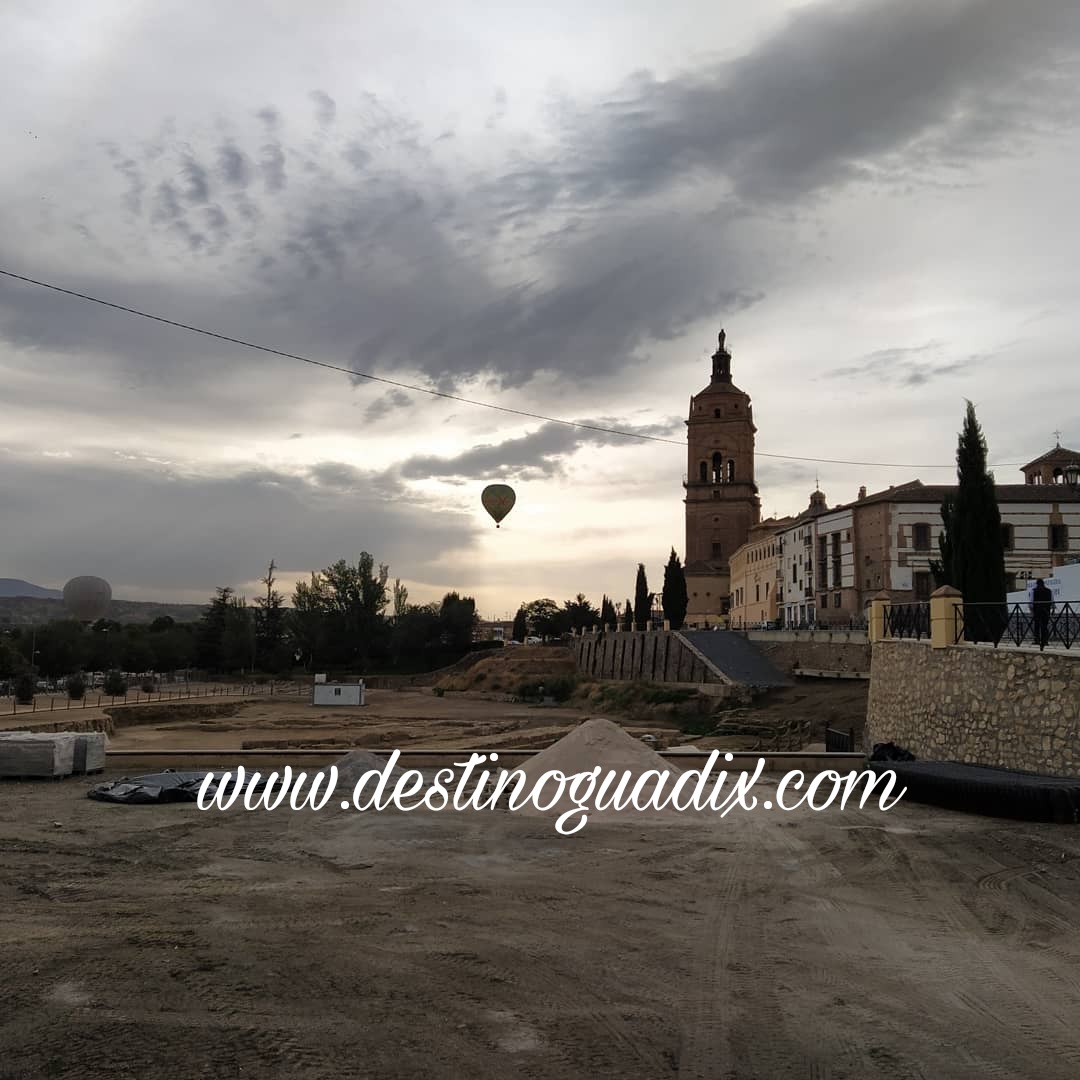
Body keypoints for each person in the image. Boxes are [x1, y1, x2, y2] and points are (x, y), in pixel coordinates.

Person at [1031, 578, 1054, 650]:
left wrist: (1031, 610)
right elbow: (1052, 601)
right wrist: (1052, 609)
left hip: (1037, 610)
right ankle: (1045, 641)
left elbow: (1031, 602)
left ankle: (1037, 640)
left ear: (1037, 584)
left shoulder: (1033, 591)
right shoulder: (1049, 591)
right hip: (1046, 610)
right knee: (1045, 625)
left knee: (1037, 625)